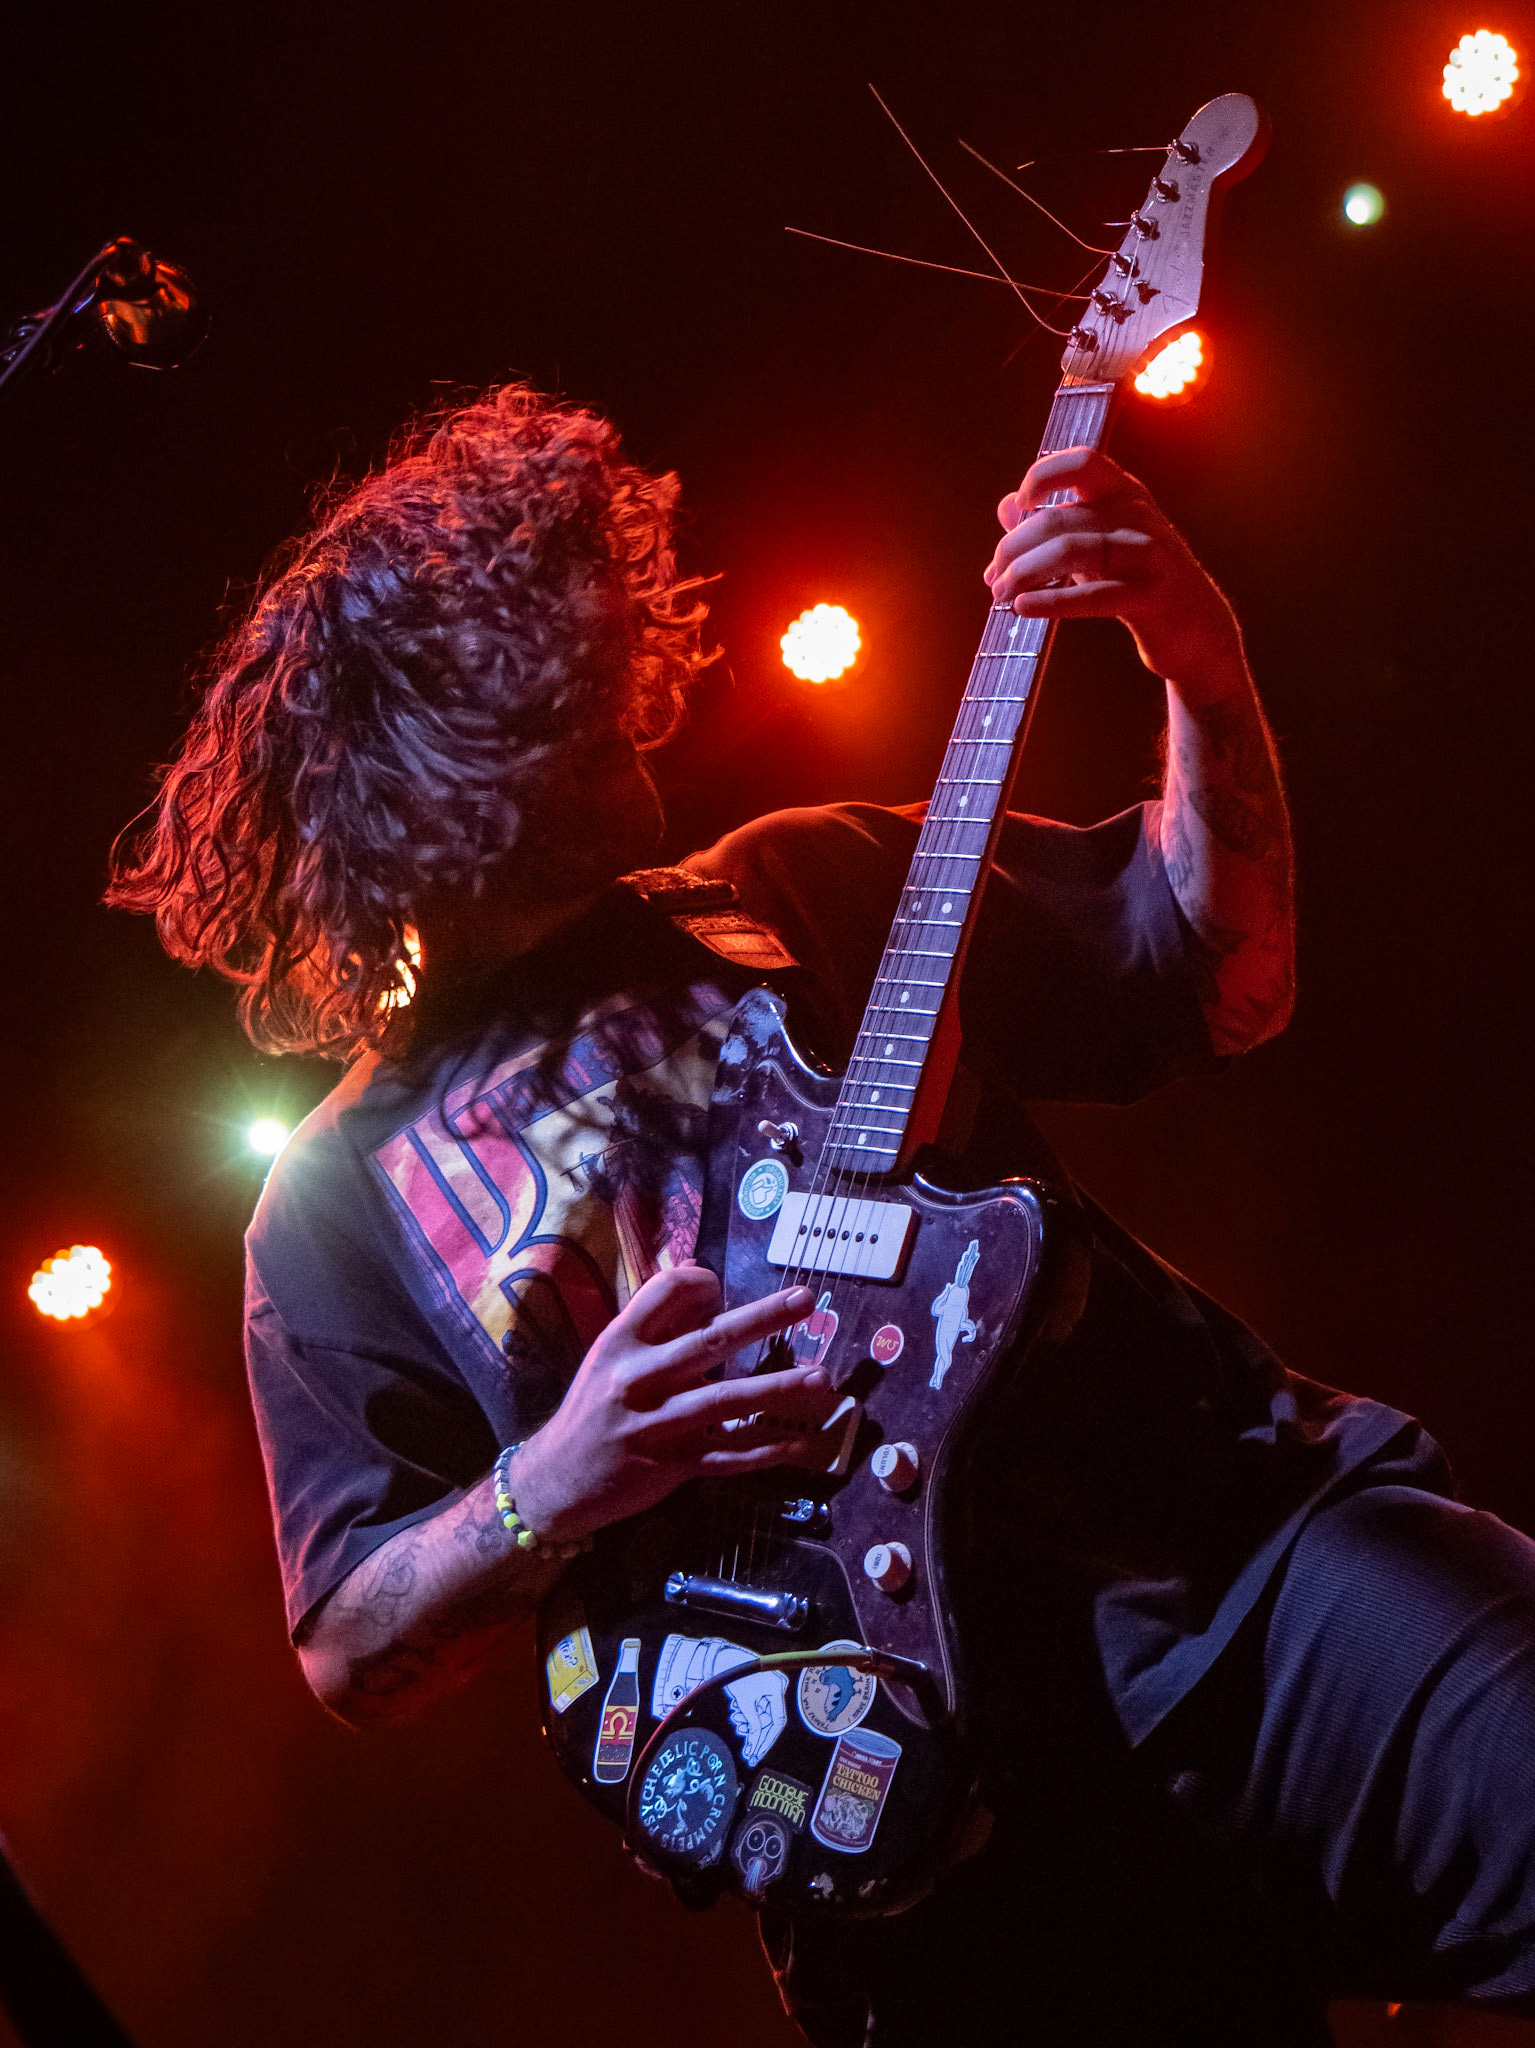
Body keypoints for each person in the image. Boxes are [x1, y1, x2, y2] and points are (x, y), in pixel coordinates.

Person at [109, 385, 1535, 2045]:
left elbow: (1226, 978)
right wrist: (555, 1480)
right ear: (449, 777)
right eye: (559, 706)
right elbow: (351, 1650)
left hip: (1249, 1574)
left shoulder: (787, 886)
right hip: (914, 1827)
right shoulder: (332, 1206)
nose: (621, 711)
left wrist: (1198, 662)